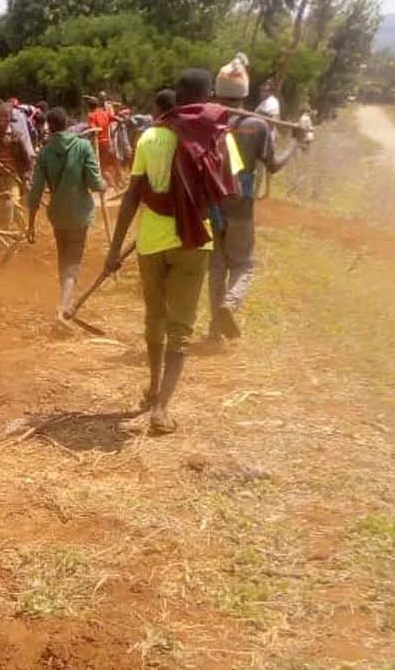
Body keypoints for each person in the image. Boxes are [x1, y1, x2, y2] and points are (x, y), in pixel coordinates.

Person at [104, 72, 243, 435]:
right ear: (208, 96)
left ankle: (152, 387)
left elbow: (133, 195)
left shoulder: (149, 136)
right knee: (180, 329)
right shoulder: (221, 137)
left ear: (176, 98)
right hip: (194, 242)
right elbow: (230, 193)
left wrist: (115, 249)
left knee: (154, 319)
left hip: (150, 243)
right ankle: (162, 409)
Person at [207, 58, 302, 341]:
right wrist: (295, 142)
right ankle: (230, 303)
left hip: (212, 204)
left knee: (216, 267)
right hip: (241, 204)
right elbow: (272, 165)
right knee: (244, 264)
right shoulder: (257, 126)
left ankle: (215, 331)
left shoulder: (207, 123)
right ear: (245, 93)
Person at [26, 107, 107, 322]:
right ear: (68, 124)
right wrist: (103, 185)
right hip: (80, 213)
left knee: (64, 259)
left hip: (58, 215)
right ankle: (63, 307)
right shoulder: (83, 146)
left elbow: (35, 191)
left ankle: (65, 298)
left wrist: (31, 224)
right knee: (73, 261)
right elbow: (94, 181)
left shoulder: (45, 152)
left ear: (49, 127)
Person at [0, 101, 34, 229]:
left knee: (13, 203)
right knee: (1, 208)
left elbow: (27, 160)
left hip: (13, 177)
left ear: (10, 117)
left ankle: (24, 231)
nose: (2, 119)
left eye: (5, 116)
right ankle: (4, 234)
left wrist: (27, 178)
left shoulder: (17, 136)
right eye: (0, 116)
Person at [87, 92, 119, 191]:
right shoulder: (105, 113)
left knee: (99, 167)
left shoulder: (91, 115)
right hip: (107, 142)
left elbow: (93, 130)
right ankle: (112, 185)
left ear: (89, 107)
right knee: (104, 165)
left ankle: (109, 185)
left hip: (98, 144)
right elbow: (117, 119)